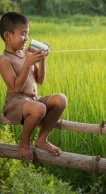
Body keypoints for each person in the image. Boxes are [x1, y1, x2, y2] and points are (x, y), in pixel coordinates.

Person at [0, 12, 67, 162]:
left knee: (60, 99)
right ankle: (24, 142)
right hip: (15, 103)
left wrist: (42, 60)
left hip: (32, 100)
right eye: (23, 34)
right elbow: (16, 88)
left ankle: (42, 139)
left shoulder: (26, 53)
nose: (26, 38)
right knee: (39, 108)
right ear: (8, 36)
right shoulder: (4, 59)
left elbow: (40, 80)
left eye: (28, 34)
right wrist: (28, 63)